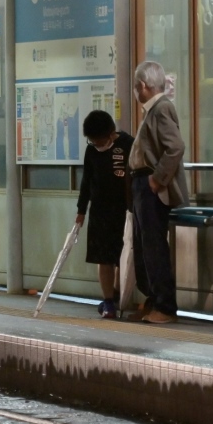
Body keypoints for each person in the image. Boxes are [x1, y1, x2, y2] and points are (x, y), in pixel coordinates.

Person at [128, 60, 189, 324]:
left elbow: (175, 147)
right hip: (142, 184)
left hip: (151, 186)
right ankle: (154, 301)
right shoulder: (153, 109)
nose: (135, 91)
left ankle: (165, 307)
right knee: (144, 248)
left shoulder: (161, 108)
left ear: (142, 85)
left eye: (135, 86)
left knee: (154, 248)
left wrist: (157, 178)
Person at [76, 110, 134, 319]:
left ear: (110, 134)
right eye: (92, 141)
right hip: (100, 211)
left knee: (122, 256)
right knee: (104, 258)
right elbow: (86, 181)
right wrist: (81, 210)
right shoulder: (91, 151)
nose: (96, 145)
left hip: (125, 210)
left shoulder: (129, 144)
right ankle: (108, 301)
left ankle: (118, 295)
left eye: (99, 141)